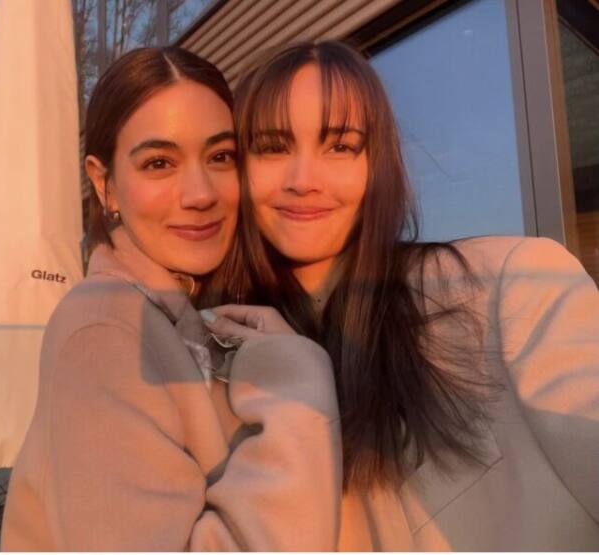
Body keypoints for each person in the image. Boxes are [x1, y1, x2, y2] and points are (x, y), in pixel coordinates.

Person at [203, 40, 599, 550]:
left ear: (377, 163)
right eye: (273, 147)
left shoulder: (510, 286)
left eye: (340, 146)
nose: (303, 180)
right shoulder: (217, 357)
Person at [0, 46, 343, 551]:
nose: (200, 193)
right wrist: (297, 390)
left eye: (220, 156)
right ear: (104, 184)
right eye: (159, 163)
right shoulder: (106, 330)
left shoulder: (184, 311)